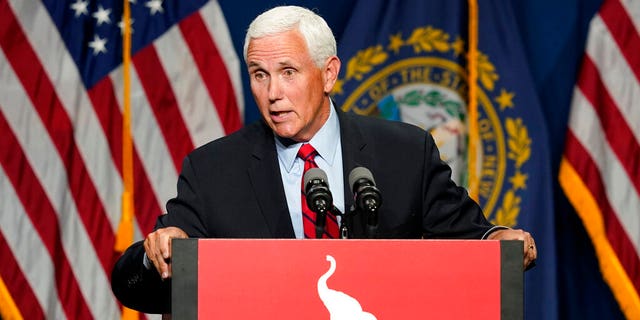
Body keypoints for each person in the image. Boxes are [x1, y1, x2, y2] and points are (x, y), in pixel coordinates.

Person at [111, 5, 537, 314]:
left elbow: (473, 238)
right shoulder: (213, 170)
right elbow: (140, 287)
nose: (272, 92)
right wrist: (155, 254)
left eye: (288, 72)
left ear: (329, 73)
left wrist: (500, 240)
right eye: (260, 75)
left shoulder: (405, 152)